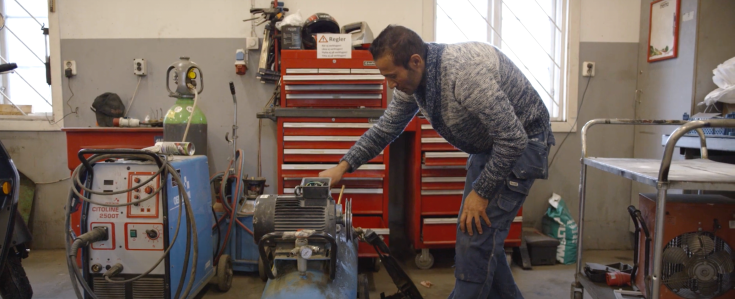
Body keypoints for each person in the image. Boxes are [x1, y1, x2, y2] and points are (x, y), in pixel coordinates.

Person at [319, 25, 554, 298]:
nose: (390, 84)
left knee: (474, 241)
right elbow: (386, 128)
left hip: (523, 143)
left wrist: (482, 192)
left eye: (392, 76)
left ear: (415, 61)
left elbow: (513, 139)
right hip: (493, 145)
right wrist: (343, 166)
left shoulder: (465, 76)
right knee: (481, 237)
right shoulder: (414, 81)